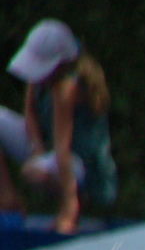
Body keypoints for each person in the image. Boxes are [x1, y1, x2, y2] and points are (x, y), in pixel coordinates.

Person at [0, 20, 118, 233]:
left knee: (33, 172)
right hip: (49, 147)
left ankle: (76, 203)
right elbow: (31, 114)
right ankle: (8, 199)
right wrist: (37, 149)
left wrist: (68, 211)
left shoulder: (67, 87)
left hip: (79, 163)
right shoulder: (41, 77)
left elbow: (63, 149)